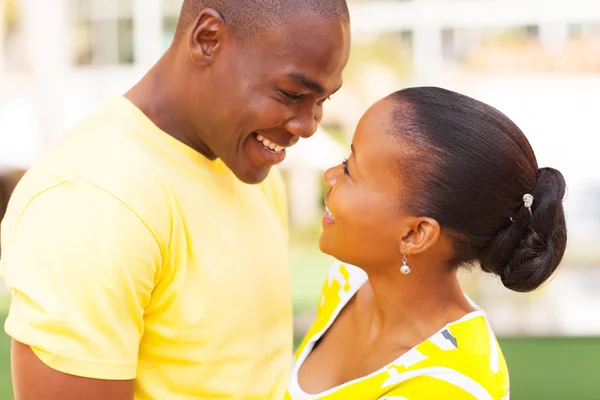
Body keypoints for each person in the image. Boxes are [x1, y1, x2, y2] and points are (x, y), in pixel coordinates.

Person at [0, 1, 350, 399]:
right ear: (207, 39)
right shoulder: (94, 200)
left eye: (322, 100)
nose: (307, 126)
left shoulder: (247, 163)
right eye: (291, 93)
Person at [286, 87, 567, 399]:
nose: (329, 175)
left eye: (351, 170)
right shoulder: (346, 283)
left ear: (415, 234)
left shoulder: (452, 386)